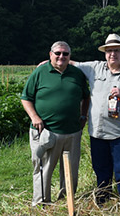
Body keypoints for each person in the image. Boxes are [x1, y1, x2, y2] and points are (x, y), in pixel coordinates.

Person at [75, 33, 120, 209]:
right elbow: (70, 64)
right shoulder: (94, 68)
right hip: (98, 132)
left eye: (116, 50)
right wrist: (47, 63)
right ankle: (102, 201)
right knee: (101, 170)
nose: (112, 54)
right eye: (109, 51)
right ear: (104, 53)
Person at [21, 41, 90, 206]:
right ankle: (42, 203)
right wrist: (34, 117)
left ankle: (67, 202)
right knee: (43, 168)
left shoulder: (77, 74)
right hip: (46, 131)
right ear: (50, 54)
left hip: (72, 132)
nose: (61, 57)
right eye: (58, 53)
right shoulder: (40, 72)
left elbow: (86, 97)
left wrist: (83, 116)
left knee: (70, 171)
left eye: (65, 54)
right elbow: (26, 98)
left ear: (70, 56)